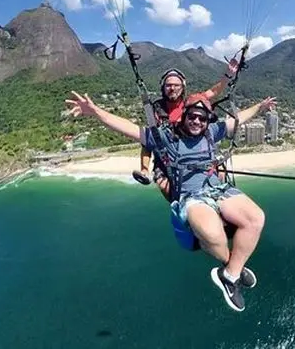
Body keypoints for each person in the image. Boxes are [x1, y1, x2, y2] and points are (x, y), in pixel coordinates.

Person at [65, 90, 276, 312]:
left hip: (218, 188)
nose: (197, 121)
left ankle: (230, 274)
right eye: (192, 116)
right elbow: (129, 128)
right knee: (212, 234)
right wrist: (96, 111)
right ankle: (232, 268)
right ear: (184, 116)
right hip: (191, 197)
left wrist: (260, 106)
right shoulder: (165, 137)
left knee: (256, 218)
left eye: (202, 118)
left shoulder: (211, 133)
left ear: (207, 122)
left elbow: (238, 118)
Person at [136, 60, 239, 195]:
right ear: (163, 87)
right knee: (165, 186)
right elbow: (147, 143)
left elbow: (214, 91)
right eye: (168, 85)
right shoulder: (156, 110)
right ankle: (181, 206)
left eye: (176, 85)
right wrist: (144, 169)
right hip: (167, 158)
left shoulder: (192, 102)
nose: (172, 88)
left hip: (195, 153)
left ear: (182, 87)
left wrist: (228, 74)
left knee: (219, 175)